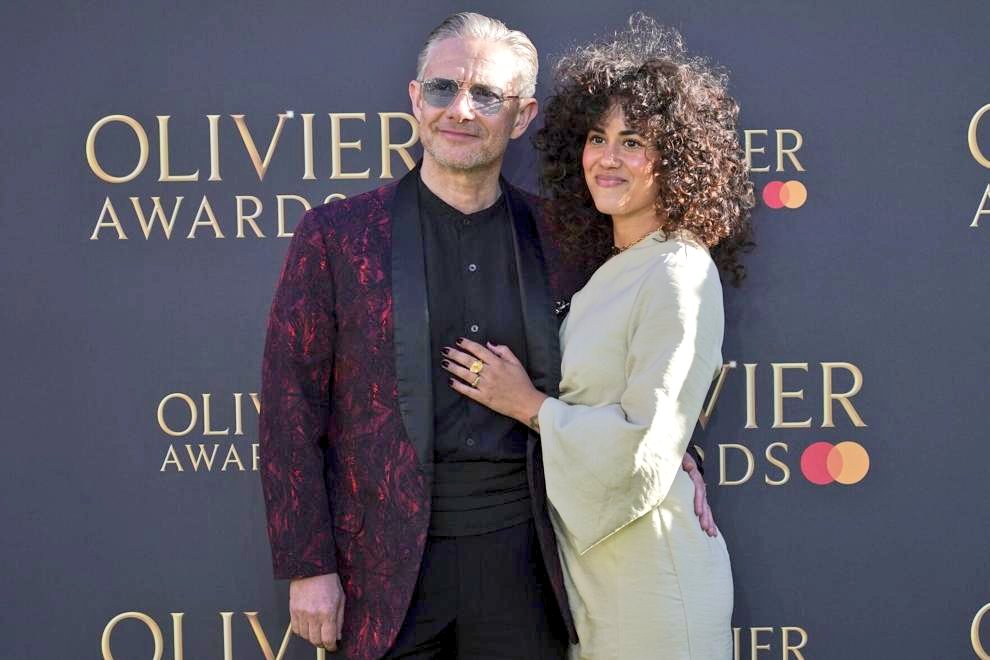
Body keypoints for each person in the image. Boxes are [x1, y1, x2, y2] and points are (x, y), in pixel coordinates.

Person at [259, 12, 715, 659]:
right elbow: (289, 407)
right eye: (443, 88)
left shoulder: (566, 237)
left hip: (529, 567)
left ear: (522, 115)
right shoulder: (338, 237)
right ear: (415, 99)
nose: (461, 110)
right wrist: (308, 565)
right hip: (381, 575)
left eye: (487, 95)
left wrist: (674, 454)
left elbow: (634, 355)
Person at [441, 15, 753, 660]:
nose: (607, 158)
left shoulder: (678, 269)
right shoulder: (619, 267)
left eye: (632, 141)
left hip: (651, 575)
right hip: (597, 576)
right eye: (596, 137)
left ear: (676, 157)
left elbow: (646, 442)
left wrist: (527, 405)